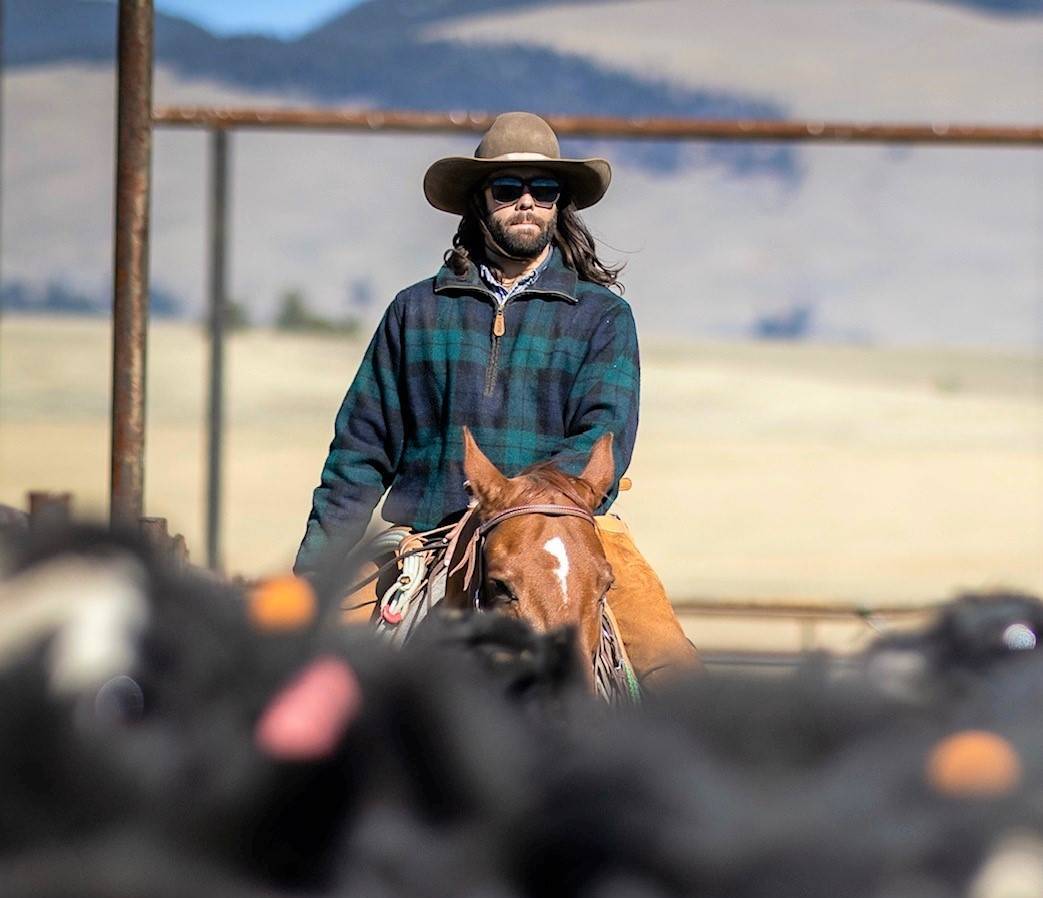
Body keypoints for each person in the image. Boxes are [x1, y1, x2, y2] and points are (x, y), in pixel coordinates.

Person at [294, 111, 699, 684]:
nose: (527, 203)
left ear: (561, 204)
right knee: (309, 676)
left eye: (545, 190)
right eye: (508, 189)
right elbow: (360, 451)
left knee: (675, 676)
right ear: (479, 202)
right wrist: (315, 571)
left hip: (568, 532)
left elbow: (602, 435)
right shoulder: (415, 311)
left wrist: (517, 507)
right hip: (428, 534)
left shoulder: (603, 317)